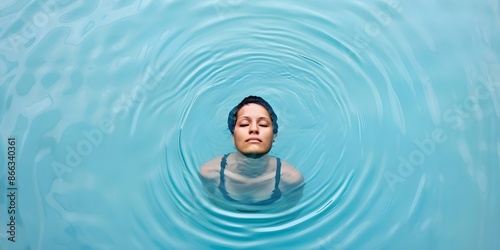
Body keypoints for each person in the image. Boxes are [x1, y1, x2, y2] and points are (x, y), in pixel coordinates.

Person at [199, 96, 304, 212]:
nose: (254, 129)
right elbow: (209, 205)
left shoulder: (291, 179)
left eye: (263, 124)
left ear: (274, 136)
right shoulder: (210, 173)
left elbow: (290, 213)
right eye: (244, 124)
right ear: (233, 136)